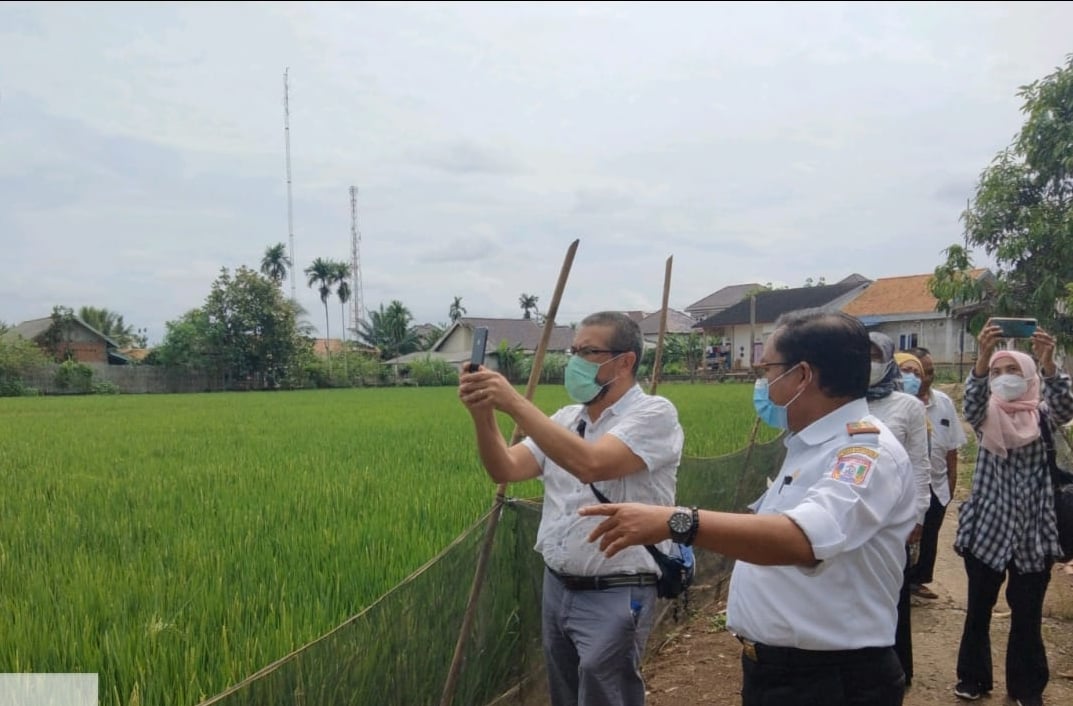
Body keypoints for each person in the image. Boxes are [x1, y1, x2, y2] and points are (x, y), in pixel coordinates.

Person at [579, 310, 916, 706]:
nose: (761, 383)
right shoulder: (811, 445)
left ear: (803, 376)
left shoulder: (864, 453)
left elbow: (802, 538)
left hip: (829, 681)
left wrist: (678, 522)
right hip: (784, 672)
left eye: (766, 369)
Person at [458, 311, 684, 706]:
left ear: (625, 361)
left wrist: (514, 402)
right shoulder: (565, 420)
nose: (575, 360)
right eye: (573, 350)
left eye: (589, 351)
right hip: (558, 586)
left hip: (616, 589)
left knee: (604, 694)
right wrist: (482, 414)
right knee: (564, 693)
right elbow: (505, 467)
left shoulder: (654, 414)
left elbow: (591, 463)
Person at [953, 323, 1073, 706]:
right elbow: (970, 400)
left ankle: (1027, 688)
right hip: (988, 530)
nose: (1004, 379)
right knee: (978, 611)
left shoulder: (1042, 417)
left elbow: (1066, 406)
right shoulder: (985, 414)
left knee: (1027, 617)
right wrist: (983, 358)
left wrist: (1050, 364)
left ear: (1030, 378)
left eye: (1014, 372)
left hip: (1033, 535)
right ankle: (973, 679)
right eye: (998, 373)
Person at [865, 333, 932, 687]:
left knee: (894, 591)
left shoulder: (908, 406)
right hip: (855, 512)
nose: (869, 361)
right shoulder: (842, 401)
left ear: (888, 358)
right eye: (863, 355)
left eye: (875, 355)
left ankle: (898, 668)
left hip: (894, 516)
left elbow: (920, 465)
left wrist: (919, 513)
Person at [900, 347, 967, 601]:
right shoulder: (894, 405)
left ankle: (918, 580)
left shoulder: (943, 403)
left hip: (936, 484)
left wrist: (950, 486)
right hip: (904, 486)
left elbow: (952, 450)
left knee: (928, 535)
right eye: (914, 372)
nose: (925, 378)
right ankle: (901, 585)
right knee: (903, 538)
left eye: (928, 372)